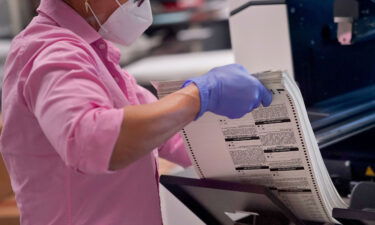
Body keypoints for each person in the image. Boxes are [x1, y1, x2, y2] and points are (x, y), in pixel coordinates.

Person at [0, 0, 272, 224]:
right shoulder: (52, 50)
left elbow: (171, 135)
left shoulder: (93, 53)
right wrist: (200, 95)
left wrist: (272, 152)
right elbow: (94, 140)